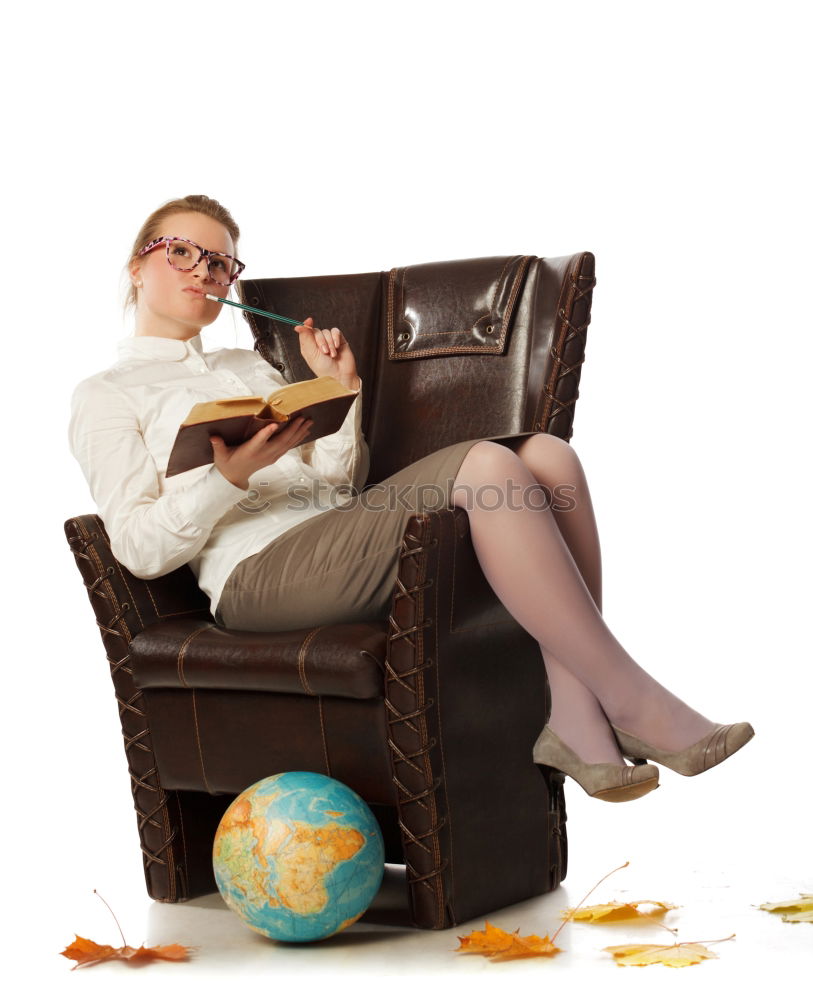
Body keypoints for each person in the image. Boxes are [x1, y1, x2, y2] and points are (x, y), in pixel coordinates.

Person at [68, 194, 754, 806]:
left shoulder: (250, 367)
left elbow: (336, 489)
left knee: (548, 455)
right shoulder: (106, 395)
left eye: (221, 264)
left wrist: (340, 389)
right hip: (257, 579)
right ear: (137, 266)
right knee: (486, 461)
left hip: (332, 540)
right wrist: (230, 476)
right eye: (182, 252)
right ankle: (629, 699)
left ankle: (573, 714)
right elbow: (136, 548)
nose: (204, 273)